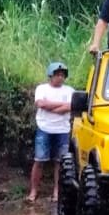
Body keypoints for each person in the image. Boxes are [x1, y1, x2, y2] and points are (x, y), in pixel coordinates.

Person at [29, 62, 73, 205]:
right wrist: (60, 106)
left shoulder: (70, 91)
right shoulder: (42, 88)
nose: (60, 77)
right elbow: (41, 104)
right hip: (44, 128)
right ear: (50, 75)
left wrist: (50, 106)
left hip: (63, 130)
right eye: (57, 75)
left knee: (60, 162)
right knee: (39, 160)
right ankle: (33, 191)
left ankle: (57, 192)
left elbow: (70, 106)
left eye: (62, 75)